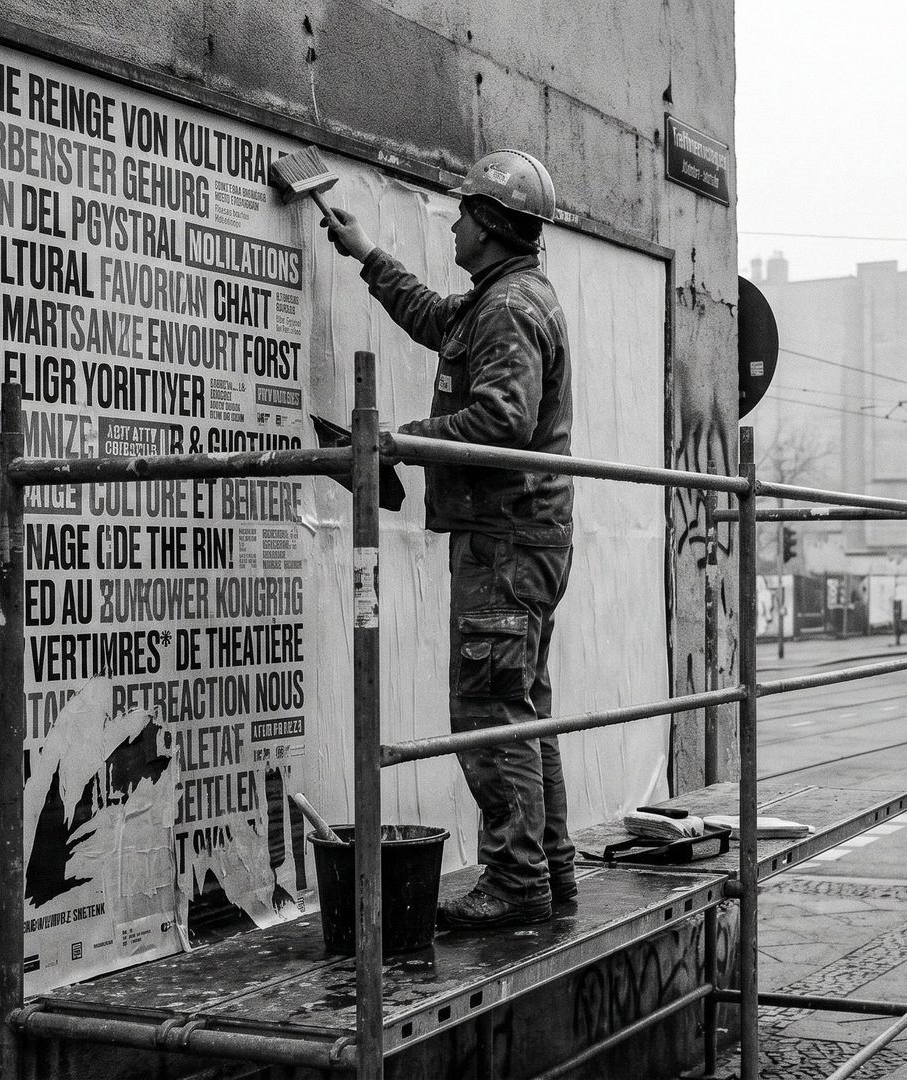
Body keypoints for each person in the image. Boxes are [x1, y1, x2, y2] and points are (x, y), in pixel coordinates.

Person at [320, 149, 574, 929]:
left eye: (464, 212)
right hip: (520, 536)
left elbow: (504, 420)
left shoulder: (508, 307)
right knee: (521, 708)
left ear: (491, 226)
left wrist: (402, 441)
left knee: (487, 710)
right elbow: (437, 320)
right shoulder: (497, 298)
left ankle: (518, 882)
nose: (454, 223)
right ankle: (548, 873)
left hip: (505, 540)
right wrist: (366, 253)